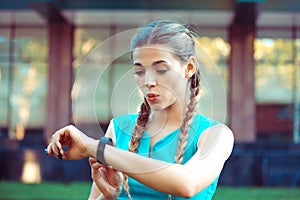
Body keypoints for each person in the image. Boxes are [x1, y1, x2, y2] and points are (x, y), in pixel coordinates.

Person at [45, 20, 234, 200]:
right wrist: (108, 196)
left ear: (189, 67)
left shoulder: (215, 135)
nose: (148, 81)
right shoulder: (119, 129)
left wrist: (92, 147)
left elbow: (187, 183)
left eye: (161, 70)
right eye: (139, 71)